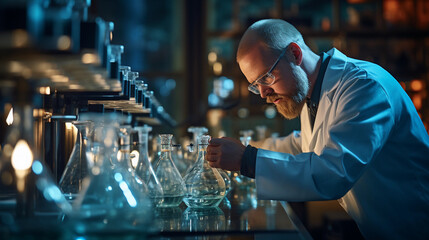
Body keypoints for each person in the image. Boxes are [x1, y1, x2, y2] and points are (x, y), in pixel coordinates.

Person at [206, 19, 429, 240]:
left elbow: (334, 172)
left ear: (294, 54)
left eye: (267, 77)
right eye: (256, 85)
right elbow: (305, 143)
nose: (264, 93)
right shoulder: (312, 92)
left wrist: (247, 160)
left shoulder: (364, 87)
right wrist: (243, 148)